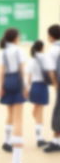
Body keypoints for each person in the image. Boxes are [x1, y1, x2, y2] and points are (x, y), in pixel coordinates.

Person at [0, 28, 32, 163]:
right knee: (19, 119)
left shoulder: (3, 52)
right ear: (16, 38)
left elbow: (0, 71)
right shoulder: (19, 51)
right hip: (17, 83)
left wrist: (0, 87)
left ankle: (6, 142)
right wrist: (26, 87)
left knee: (10, 114)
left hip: (7, 83)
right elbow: (23, 71)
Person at [26, 40, 51, 147]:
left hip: (34, 86)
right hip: (42, 86)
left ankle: (38, 132)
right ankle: (39, 138)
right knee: (40, 112)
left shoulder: (32, 59)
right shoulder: (44, 58)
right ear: (42, 47)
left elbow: (29, 77)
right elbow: (50, 72)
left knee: (36, 110)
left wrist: (27, 89)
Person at [44, 24, 60, 153]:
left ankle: (56, 141)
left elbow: (50, 71)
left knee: (58, 112)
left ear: (50, 36)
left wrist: (55, 85)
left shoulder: (53, 50)